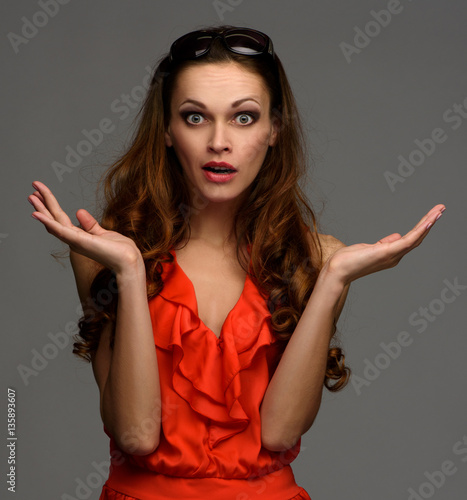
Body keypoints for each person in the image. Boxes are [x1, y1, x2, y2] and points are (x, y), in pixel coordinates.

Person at [27, 25, 445, 500]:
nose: (219, 142)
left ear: (274, 130)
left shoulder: (319, 259)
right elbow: (136, 435)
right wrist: (127, 270)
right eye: (195, 117)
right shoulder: (108, 253)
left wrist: (334, 280)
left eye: (244, 118)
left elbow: (280, 434)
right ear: (166, 129)